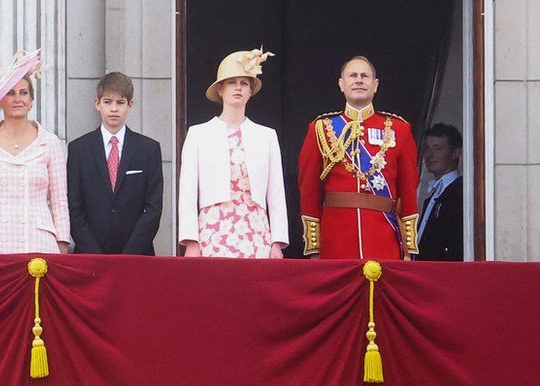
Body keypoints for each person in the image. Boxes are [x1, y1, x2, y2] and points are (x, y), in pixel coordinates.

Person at [297, 56, 419, 261]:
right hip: (335, 238)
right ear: (341, 84)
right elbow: (308, 190)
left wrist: (409, 249)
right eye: (352, 76)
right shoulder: (320, 128)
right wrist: (314, 247)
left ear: (375, 85)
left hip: (384, 237)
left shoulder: (399, 129)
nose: (359, 80)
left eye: (365, 76)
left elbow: (408, 189)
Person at [177, 48, 288, 259]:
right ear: (220, 89)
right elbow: (188, 193)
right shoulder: (198, 133)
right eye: (231, 82)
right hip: (212, 231)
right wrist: (192, 241)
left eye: (244, 83)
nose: (238, 88)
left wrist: (277, 243)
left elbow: (276, 192)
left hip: (256, 231)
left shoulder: (266, 135)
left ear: (250, 91)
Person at [0, 50, 70, 255]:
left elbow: (59, 200)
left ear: (31, 100)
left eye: (24, 93)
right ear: (0, 100)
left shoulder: (49, 143)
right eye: (10, 93)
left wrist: (63, 242)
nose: (18, 99)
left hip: (38, 240)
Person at [67, 72, 164, 255]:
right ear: (97, 104)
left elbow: (153, 208)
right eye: (107, 102)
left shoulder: (148, 149)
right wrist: (94, 253)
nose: (113, 109)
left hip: (137, 255)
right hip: (90, 255)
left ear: (130, 105)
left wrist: (129, 254)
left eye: (120, 103)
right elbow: (74, 206)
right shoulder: (78, 149)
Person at [417, 123, 463, 261]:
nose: (430, 155)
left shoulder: (460, 192)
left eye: (438, 148)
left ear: (455, 153)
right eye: (427, 148)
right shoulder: (432, 196)